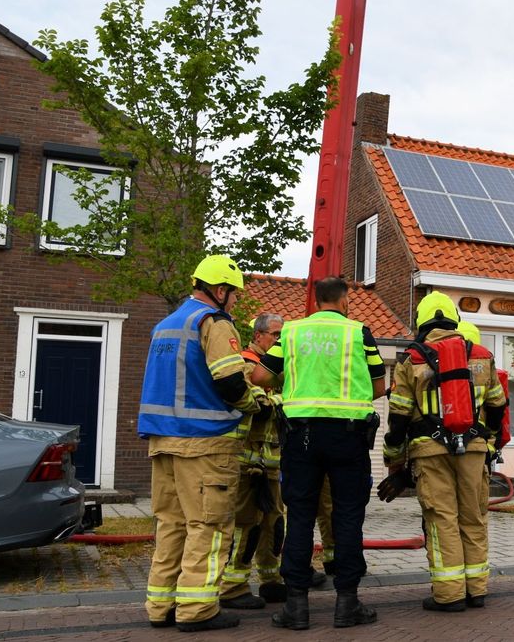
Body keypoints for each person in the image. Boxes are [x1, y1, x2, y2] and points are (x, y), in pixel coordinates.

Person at [137, 255, 267, 632]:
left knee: (171, 525)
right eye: (234, 294)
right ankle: (197, 609)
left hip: (163, 441)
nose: (236, 302)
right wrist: (255, 403)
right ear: (220, 290)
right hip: (204, 445)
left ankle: (160, 606)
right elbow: (230, 382)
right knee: (208, 527)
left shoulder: (165, 325)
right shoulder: (213, 322)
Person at [252, 277, 386, 630]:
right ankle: (347, 604)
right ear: (344, 302)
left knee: (299, 516)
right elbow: (378, 386)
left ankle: (296, 607)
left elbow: (259, 376)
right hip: (348, 437)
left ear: (315, 301)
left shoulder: (291, 332)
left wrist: (295, 382)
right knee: (347, 516)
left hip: (301, 437)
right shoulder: (359, 333)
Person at [381, 291, 507, 612]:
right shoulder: (481, 355)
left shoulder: (411, 360)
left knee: (442, 520)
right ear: (455, 319)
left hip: (430, 452)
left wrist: (394, 460)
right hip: (474, 450)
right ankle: (476, 590)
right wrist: (489, 443)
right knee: (473, 518)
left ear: (421, 322)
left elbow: (398, 416)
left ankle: (449, 595)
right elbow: (497, 405)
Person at [218, 313, 286, 609]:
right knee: (247, 523)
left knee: (274, 521)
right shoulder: (247, 364)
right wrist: (287, 401)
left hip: (270, 461)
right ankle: (233, 587)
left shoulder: (277, 368)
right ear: (258, 336)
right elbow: (260, 407)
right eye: (275, 335)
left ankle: (272, 579)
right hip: (248, 462)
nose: (279, 341)